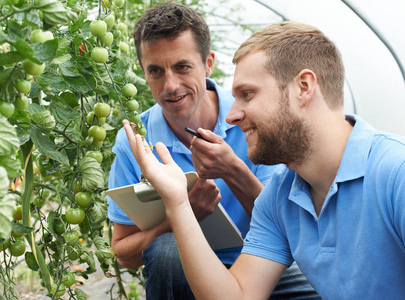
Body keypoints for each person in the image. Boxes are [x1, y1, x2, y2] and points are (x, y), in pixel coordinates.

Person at [122, 20, 405, 299]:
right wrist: (179, 202)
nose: (231, 115)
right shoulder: (281, 195)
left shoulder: (396, 174)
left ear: (303, 87)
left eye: (247, 94)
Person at [107, 3, 318, 299]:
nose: (170, 85)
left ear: (208, 64)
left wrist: (232, 169)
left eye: (182, 67)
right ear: (142, 72)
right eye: (155, 71)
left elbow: (289, 228)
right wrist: (179, 216)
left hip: (260, 263)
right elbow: (124, 254)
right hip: (185, 273)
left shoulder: (251, 116)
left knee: (323, 283)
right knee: (167, 251)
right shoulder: (135, 142)